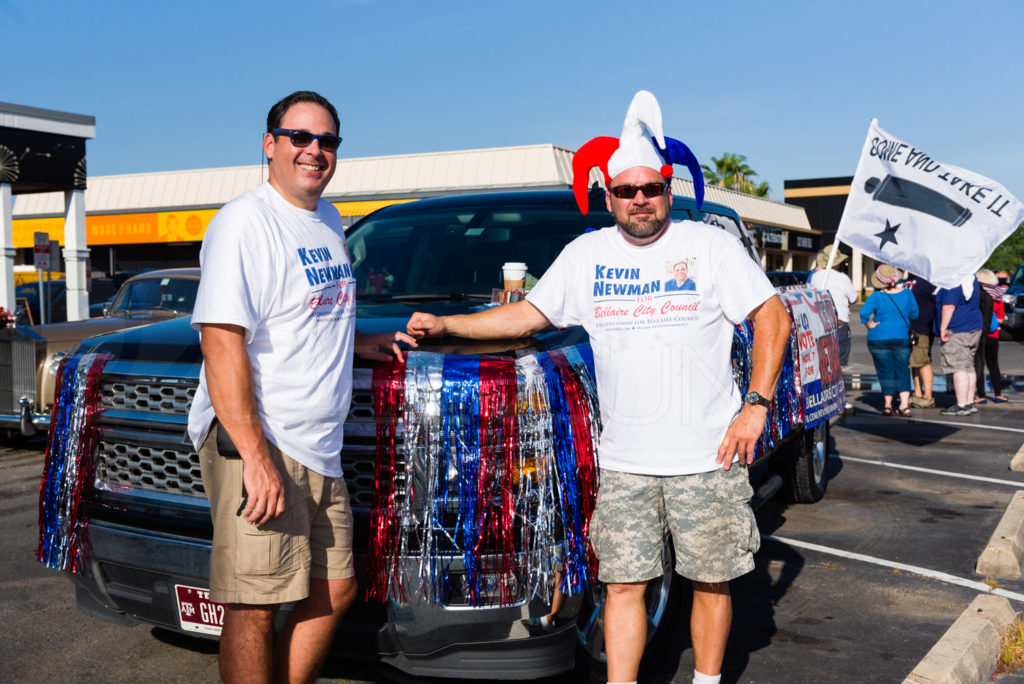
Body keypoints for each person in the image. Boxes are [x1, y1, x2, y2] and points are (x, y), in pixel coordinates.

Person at [406, 91, 791, 684]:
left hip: (708, 456)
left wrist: (756, 406)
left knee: (710, 583)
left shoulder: (708, 246)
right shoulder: (586, 254)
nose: (640, 201)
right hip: (625, 461)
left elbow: (772, 316)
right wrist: (450, 325)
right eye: (626, 191)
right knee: (623, 586)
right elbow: (529, 314)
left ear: (669, 189)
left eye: (651, 189)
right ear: (608, 196)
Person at [186, 91, 414, 684]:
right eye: (300, 137)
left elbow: (309, 316)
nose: (315, 151)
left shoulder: (328, 220)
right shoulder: (245, 223)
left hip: (320, 447)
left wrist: (363, 343)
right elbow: (221, 342)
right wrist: (256, 457)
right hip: (264, 441)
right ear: (270, 145)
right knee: (253, 605)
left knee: (336, 589)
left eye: (328, 141)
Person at [859, 265, 918, 416]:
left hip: (878, 337)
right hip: (901, 336)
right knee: (902, 369)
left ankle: (887, 404)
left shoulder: (876, 296)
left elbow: (864, 314)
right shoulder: (908, 294)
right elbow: (915, 314)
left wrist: (870, 324)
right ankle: (904, 405)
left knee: (885, 370)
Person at [936, 275, 983, 416]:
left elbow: (949, 306)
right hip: (973, 325)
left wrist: (943, 328)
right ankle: (969, 402)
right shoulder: (971, 277)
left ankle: (961, 404)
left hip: (957, 327)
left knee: (958, 366)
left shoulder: (954, 279)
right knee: (968, 365)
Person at [807, 248, 857, 365]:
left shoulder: (815, 276)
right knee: (839, 364)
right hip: (839, 323)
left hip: (819, 323)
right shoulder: (843, 278)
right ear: (838, 263)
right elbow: (854, 299)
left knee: (823, 364)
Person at [975, 269, 1007, 404]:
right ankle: (998, 394)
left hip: (979, 332)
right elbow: (1001, 318)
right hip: (993, 334)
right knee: (993, 364)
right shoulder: (998, 296)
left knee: (978, 364)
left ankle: (981, 395)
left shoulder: (978, 295)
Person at [907, 276, 939, 408]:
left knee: (923, 361)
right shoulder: (910, 279)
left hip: (923, 327)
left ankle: (928, 396)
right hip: (910, 327)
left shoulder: (930, 282)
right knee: (914, 362)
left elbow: (937, 304)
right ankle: (918, 393)